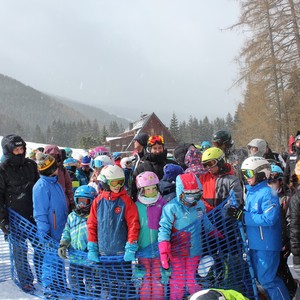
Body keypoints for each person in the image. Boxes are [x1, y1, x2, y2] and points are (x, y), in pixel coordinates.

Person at [227, 156, 290, 300]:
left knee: (268, 279)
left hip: (266, 244)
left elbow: (269, 218)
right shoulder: (251, 192)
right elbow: (249, 217)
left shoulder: (268, 193)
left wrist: (243, 217)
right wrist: (239, 214)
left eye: (249, 174)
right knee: (260, 279)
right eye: (243, 174)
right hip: (255, 244)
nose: (246, 178)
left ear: (262, 173)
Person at [158, 172, 221, 300]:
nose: (192, 199)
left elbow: (205, 222)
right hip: (177, 251)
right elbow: (164, 228)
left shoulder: (199, 206)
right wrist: (164, 248)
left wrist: (217, 233)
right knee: (178, 281)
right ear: (181, 193)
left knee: (192, 280)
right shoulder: (172, 207)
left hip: (195, 250)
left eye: (196, 195)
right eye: (188, 196)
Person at [87, 164, 140, 298]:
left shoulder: (125, 201)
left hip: (121, 254)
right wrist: (92, 246)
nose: (118, 185)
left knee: (124, 285)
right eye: (115, 182)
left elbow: (134, 224)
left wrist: (131, 246)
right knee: (109, 285)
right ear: (105, 182)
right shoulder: (98, 201)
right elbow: (92, 224)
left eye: (121, 182)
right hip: (103, 253)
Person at [0, 134, 40, 292]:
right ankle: (25, 280)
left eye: (21, 148)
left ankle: (44, 275)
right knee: (19, 251)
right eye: (16, 149)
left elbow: (39, 188)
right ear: (8, 151)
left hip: (34, 216)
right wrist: (3, 220)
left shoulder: (31, 165)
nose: (19, 151)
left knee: (40, 247)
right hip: (15, 218)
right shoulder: (2, 169)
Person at [33, 152, 69, 298]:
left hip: (60, 229)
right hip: (50, 232)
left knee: (59, 260)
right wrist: (44, 232)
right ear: (48, 169)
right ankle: (49, 289)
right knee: (50, 261)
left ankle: (60, 286)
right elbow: (40, 213)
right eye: (55, 166)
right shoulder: (41, 187)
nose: (58, 168)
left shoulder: (56, 183)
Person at [58, 185, 97, 299]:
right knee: (74, 279)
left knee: (92, 281)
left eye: (85, 201)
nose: (82, 205)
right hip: (75, 255)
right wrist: (63, 244)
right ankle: (77, 296)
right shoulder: (72, 216)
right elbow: (67, 231)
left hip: (90, 256)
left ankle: (92, 297)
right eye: (79, 201)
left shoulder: (94, 217)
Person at [135, 171, 167, 300]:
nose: (151, 191)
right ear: (142, 190)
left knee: (158, 277)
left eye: (154, 188)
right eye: (148, 189)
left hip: (159, 249)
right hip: (143, 248)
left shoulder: (162, 203)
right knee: (146, 277)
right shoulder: (137, 206)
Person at [267, 164, 297, 298]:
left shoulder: (287, 198)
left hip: (284, 240)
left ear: (279, 180)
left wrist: (288, 242)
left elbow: (290, 221)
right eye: (268, 182)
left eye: (273, 181)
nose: (270, 185)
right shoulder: (268, 197)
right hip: (272, 241)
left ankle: (290, 291)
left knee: (283, 270)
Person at [131, 135, 176, 201]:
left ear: (163, 148)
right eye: (155, 148)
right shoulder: (142, 167)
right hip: (150, 202)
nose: (158, 151)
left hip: (170, 201)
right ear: (150, 149)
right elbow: (133, 188)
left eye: (160, 148)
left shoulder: (171, 164)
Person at [200, 147, 243, 212]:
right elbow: (199, 198)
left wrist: (224, 212)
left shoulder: (231, 180)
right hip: (208, 217)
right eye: (205, 165)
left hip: (225, 218)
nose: (208, 167)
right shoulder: (203, 179)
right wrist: (209, 210)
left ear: (220, 161)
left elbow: (236, 200)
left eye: (211, 163)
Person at [43, 144, 74, 212]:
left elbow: (68, 186)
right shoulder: (42, 171)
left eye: (55, 156)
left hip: (63, 204)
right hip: (48, 206)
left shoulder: (62, 170)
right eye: (51, 156)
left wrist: (71, 201)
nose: (53, 159)